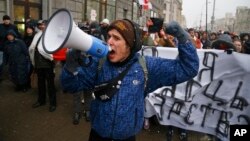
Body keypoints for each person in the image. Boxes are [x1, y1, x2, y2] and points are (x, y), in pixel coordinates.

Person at [60, 19, 199, 141]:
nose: (109, 41)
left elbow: (188, 68)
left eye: (116, 38)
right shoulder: (98, 63)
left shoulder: (147, 66)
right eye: (108, 36)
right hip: (98, 135)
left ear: (130, 44)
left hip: (127, 138)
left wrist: (182, 37)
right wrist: (70, 67)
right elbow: (69, 86)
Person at [29, 20, 57, 112]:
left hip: (47, 63)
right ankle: (41, 100)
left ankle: (53, 103)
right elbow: (33, 47)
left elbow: (54, 49)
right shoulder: (37, 35)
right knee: (40, 84)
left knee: (50, 85)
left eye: (43, 24)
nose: (41, 26)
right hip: (38, 63)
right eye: (40, 25)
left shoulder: (51, 35)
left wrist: (52, 59)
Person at [0, 15, 22, 81]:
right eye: (5, 19)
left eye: (7, 19)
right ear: (3, 20)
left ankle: (12, 75)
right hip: (1, 47)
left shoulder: (13, 27)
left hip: (11, 47)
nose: (6, 20)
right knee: (1, 62)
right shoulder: (0, 26)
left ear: (9, 20)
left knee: (11, 62)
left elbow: (17, 35)